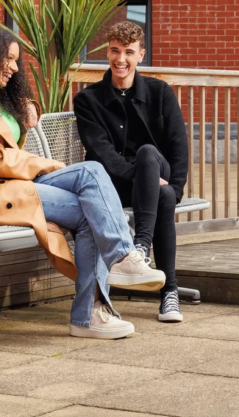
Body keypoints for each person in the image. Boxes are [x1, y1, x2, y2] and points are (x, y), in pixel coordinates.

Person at [0, 25, 166, 340]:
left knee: (92, 186)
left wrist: (28, 106)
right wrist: (45, 163)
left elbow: (9, 136)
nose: (15, 68)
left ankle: (108, 282)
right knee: (91, 194)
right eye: (10, 59)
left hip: (13, 185)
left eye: (17, 61)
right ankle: (98, 299)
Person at [74, 21, 189, 323]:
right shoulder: (88, 100)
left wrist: (176, 187)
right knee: (160, 195)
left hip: (157, 169)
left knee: (148, 153)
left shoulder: (160, 92)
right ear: (107, 52)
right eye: (114, 51)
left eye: (128, 52)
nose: (120, 59)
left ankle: (139, 246)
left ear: (141, 55)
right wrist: (145, 181)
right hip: (116, 184)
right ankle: (170, 293)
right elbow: (100, 151)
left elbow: (178, 144)